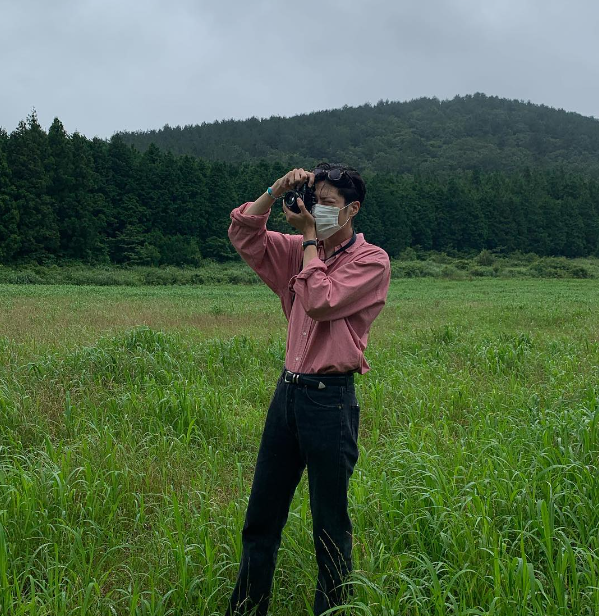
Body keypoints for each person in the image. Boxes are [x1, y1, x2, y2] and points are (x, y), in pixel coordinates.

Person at [226, 162, 391, 615]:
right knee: (261, 519)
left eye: (329, 203)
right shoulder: (299, 248)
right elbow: (242, 232)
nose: (318, 209)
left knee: (329, 527)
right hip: (288, 393)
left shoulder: (371, 261)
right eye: (314, 200)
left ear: (352, 209)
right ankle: (246, 610)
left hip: (330, 399)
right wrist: (274, 189)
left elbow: (320, 300)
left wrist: (309, 241)